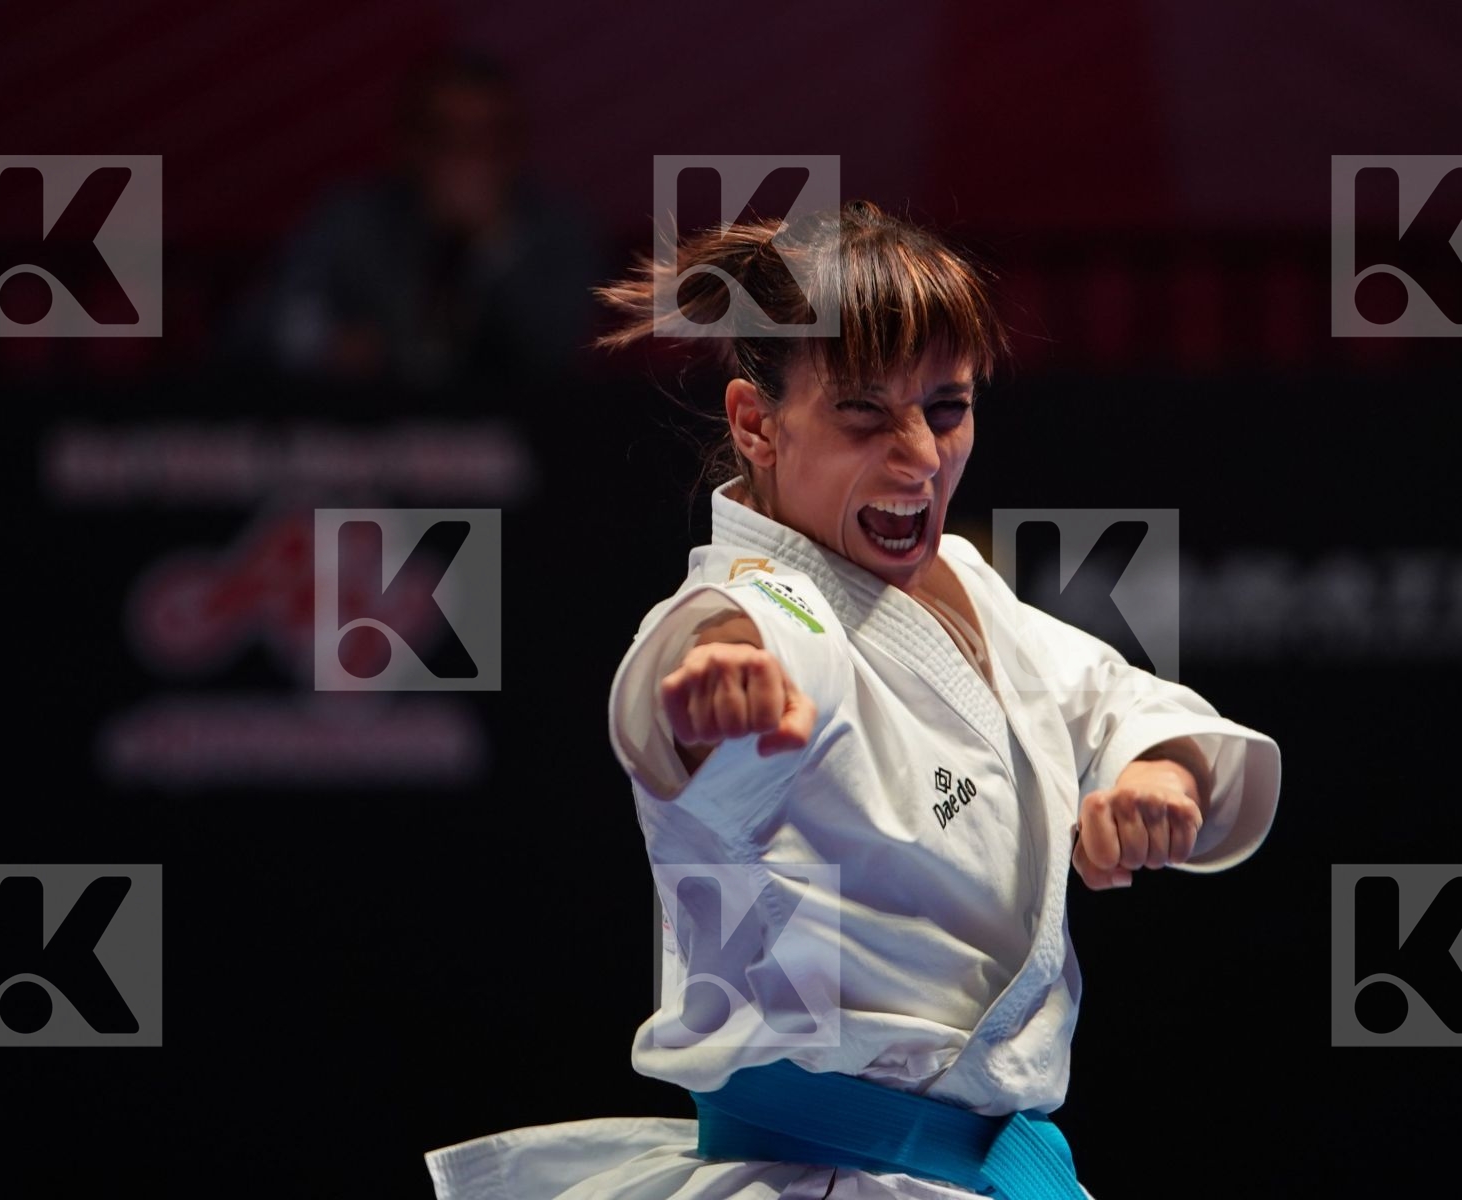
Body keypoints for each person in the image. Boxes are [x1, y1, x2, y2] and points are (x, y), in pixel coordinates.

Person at [423, 199, 1281, 1199]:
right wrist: (706, 688)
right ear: (756, 422)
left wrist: (1157, 776)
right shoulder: (764, 610)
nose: (919, 455)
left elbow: (1124, 701)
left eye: (948, 409)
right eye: (864, 413)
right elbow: (708, 652)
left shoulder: (968, 590)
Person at [233, 49, 600, 390]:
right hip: (372, 439)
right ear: (408, 145)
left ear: (517, 147)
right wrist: (328, 344)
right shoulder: (354, 221)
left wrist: (490, 238)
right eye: (446, 136)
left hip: (520, 440)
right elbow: (258, 329)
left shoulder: (558, 233)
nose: (467, 158)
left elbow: (558, 353)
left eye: (487, 138)